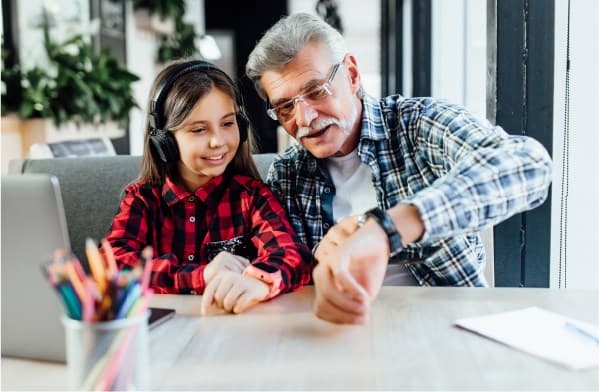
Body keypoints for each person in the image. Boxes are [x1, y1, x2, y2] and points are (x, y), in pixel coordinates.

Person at [246, 13, 552, 324]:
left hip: (448, 327)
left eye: (316, 91)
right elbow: (286, 272)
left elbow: (530, 164)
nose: (304, 118)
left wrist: (387, 229)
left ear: (352, 75)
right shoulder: (287, 176)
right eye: (286, 106)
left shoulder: (419, 125)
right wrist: (315, 262)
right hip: (345, 334)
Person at [104, 59, 312, 315]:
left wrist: (259, 281)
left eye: (227, 124)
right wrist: (201, 276)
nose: (218, 141)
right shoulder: (142, 201)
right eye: (199, 129)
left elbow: (291, 254)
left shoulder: (252, 197)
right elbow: (113, 266)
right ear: (164, 140)